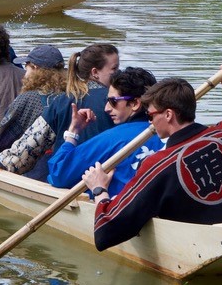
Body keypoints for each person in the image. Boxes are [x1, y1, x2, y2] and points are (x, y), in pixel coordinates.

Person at [85, 56, 222, 251]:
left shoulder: (158, 165)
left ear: (168, 115)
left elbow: (106, 231)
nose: (150, 122)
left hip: (208, 249)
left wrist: (99, 189)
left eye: (150, 116)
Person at [0, 42, 120, 181]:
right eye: (114, 69)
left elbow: (29, 146)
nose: (119, 73)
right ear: (94, 72)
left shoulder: (61, 101)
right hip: (108, 178)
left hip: (66, 179)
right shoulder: (119, 102)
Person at [42, 67, 161, 196]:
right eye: (107, 101)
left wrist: (73, 133)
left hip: (115, 211)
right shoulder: (171, 136)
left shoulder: (114, 138)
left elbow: (59, 174)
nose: (106, 108)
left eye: (112, 101)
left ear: (135, 104)